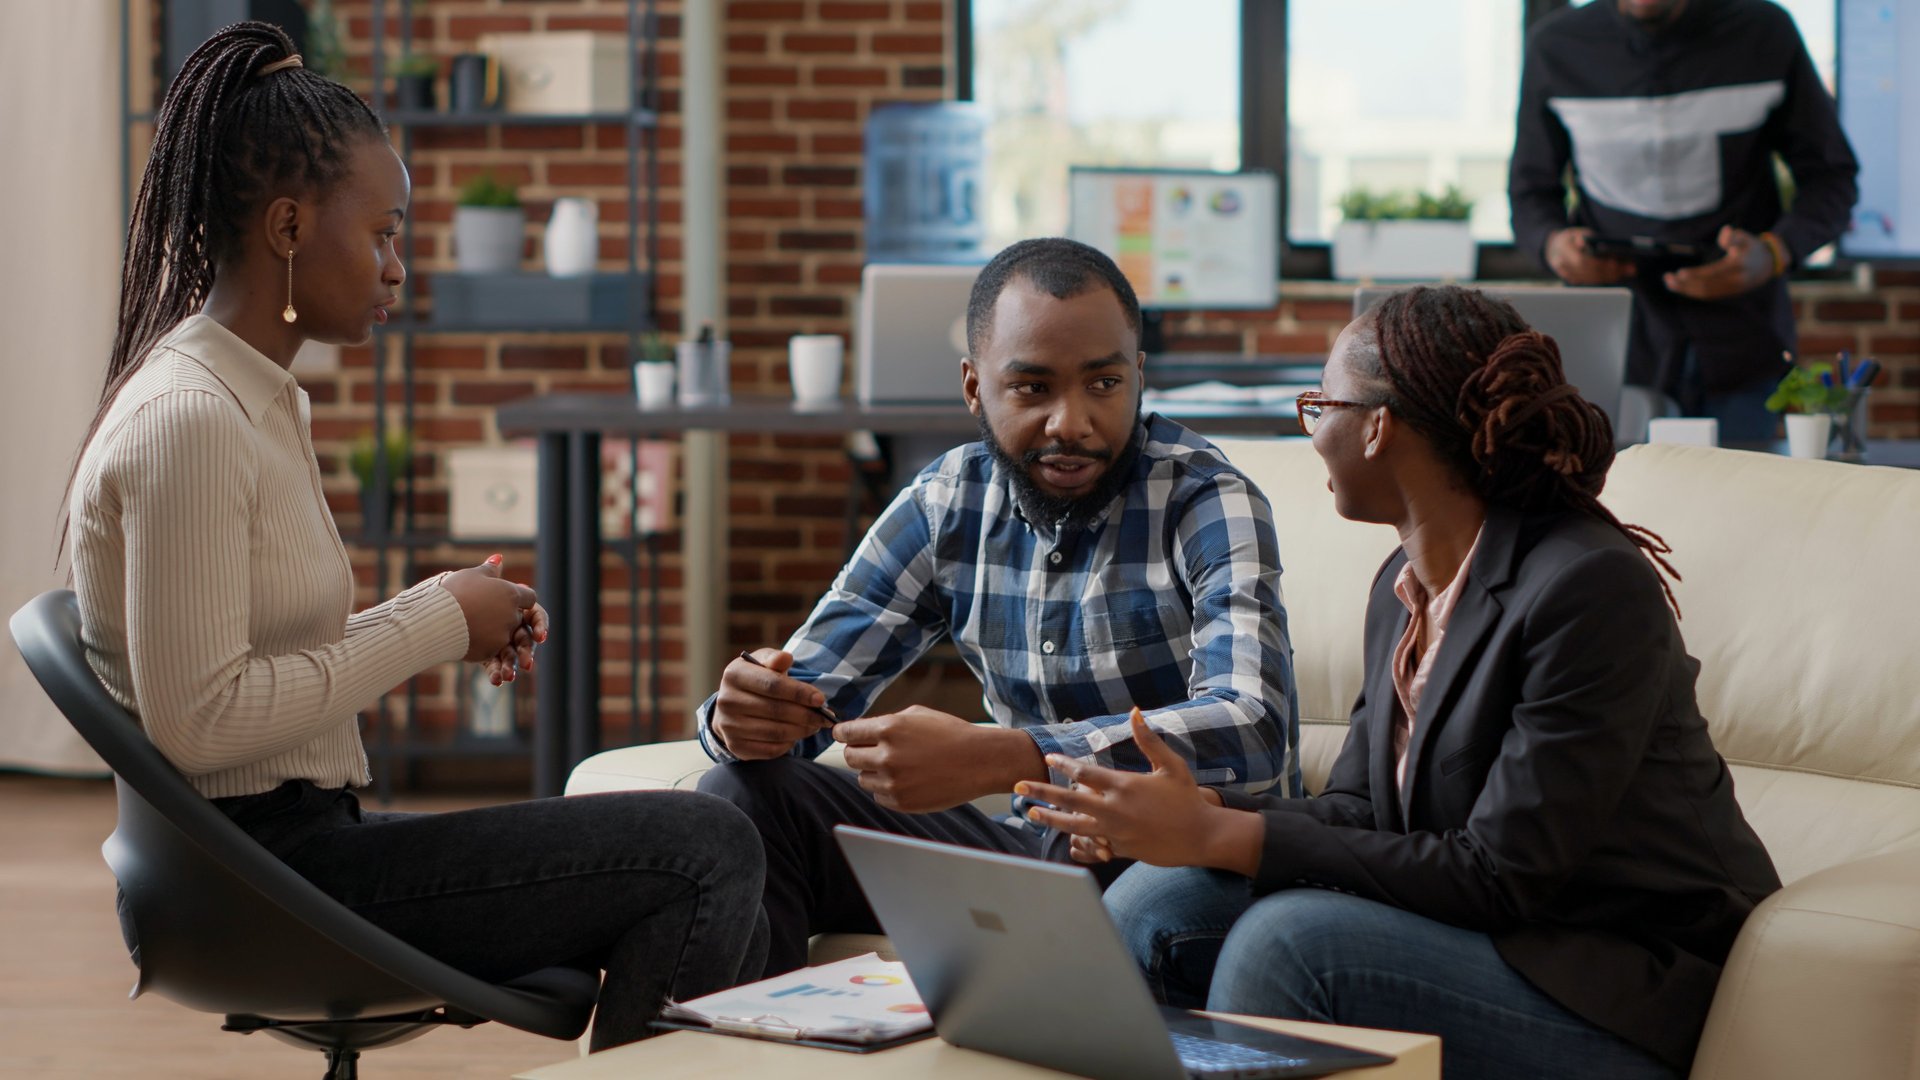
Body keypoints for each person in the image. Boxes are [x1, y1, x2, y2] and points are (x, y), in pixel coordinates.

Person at [63, 23, 765, 1050]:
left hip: (296, 847)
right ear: (291, 227)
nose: (400, 264)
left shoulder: (248, 398)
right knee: (705, 846)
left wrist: (438, 614)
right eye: (384, 232)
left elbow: (249, 665)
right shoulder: (194, 420)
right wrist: (434, 621)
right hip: (259, 878)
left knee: (714, 832)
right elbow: (200, 724)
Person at [1015, 286, 1781, 1078]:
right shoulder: (1402, 586)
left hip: (1618, 981)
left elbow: (1501, 874)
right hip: (1488, 936)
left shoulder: (1588, 588)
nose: (1311, 436)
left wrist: (1223, 836)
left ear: (1378, 427)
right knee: (1157, 900)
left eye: (1321, 406)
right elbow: (1362, 810)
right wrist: (1194, 816)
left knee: (1291, 948)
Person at [695, 237, 1298, 976]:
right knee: (741, 796)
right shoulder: (946, 501)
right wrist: (746, 718)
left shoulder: (1207, 500)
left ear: (1139, 377)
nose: (1070, 423)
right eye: (1033, 388)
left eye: (1104, 384)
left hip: (1175, 852)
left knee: (1151, 899)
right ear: (975, 387)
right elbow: (806, 694)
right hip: (1029, 845)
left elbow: (1255, 726)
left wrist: (1015, 755)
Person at [1509, 0, 1859, 440]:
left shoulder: (1764, 32)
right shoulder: (1556, 46)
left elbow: (1831, 178)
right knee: (1615, 502)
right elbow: (1529, 193)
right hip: (1616, 343)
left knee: (1737, 500)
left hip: (1741, 338)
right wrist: (1554, 246)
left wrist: (1774, 252)